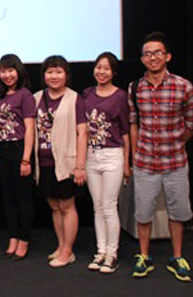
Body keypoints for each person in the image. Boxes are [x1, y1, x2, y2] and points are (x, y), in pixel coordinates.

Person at [128, 32, 193, 282]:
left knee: (178, 211)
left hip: (175, 162)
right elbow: (133, 123)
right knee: (143, 212)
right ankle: (144, 256)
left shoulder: (184, 86)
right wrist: (136, 154)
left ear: (167, 56)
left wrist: (176, 143)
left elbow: (192, 124)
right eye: (148, 53)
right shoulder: (135, 87)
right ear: (142, 59)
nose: (153, 57)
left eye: (158, 52)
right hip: (145, 162)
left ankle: (177, 256)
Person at [33, 55, 87, 268]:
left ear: (66, 75)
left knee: (67, 204)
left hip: (66, 163)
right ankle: (61, 245)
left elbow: (82, 134)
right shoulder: (36, 97)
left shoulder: (75, 99)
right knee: (54, 205)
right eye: (49, 72)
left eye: (58, 72)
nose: (54, 76)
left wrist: (80, 166)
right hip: (44, 162)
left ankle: (68, 250)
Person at [81, 52, 130, 274]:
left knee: (110, 206)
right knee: (98, 206)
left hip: (113, 155)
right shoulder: (87, 94)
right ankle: (100, 252)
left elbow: (126, 132)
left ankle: (112, 254)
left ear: (114, 72)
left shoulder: (120, 96)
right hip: (91, 155)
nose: (101, 72)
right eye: (98, 67)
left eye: (106, 68)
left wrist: (127, 163)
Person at [0, 54, 36, 261]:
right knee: (7, 199)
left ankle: (24, 240)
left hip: (19, 150)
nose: (7, 75)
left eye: (11, 70)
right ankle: (13, 238)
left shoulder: (25, 95)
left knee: (23, 198)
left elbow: (30, 129)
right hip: (2, 150)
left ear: (18, 71)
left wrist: (26, 159)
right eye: (3, 71)